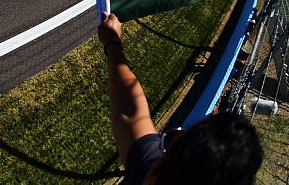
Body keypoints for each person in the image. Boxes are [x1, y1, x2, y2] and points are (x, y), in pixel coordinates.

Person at [98, 12, 263, 184]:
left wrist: (112, 43)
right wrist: (112, 43)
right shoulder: (158, 170)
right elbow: (131, 114)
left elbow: (131, 114)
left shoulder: (150, 168)